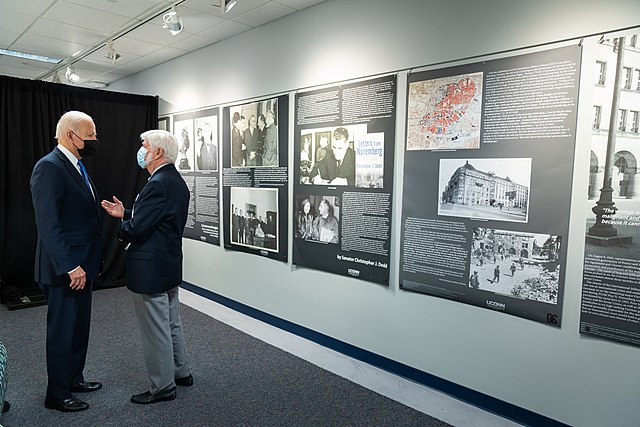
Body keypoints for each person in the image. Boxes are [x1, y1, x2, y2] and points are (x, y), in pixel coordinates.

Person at [101, 129, 193, 405]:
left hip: (150, 268)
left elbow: (138, 229)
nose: (141, 150)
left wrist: (122, 227)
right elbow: (157, 218)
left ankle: (162, 386)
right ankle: (181, 373)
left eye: (144, 145)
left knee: (156, 328)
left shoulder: (157, 184)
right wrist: (127, 213)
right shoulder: (173, 181)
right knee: (171, 322)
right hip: (167, 264)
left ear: (158, 153)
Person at [30, 110, 103, 412]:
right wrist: (70, 265)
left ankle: (74, 378)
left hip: (83, 266)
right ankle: (57, 394)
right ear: (70, 135)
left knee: (78, 327)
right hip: (66, 269)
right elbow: (48, 224)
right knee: (61, 331)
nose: (95, 140)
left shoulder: (77, 165)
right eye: (90, 135)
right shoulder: (48, 168)